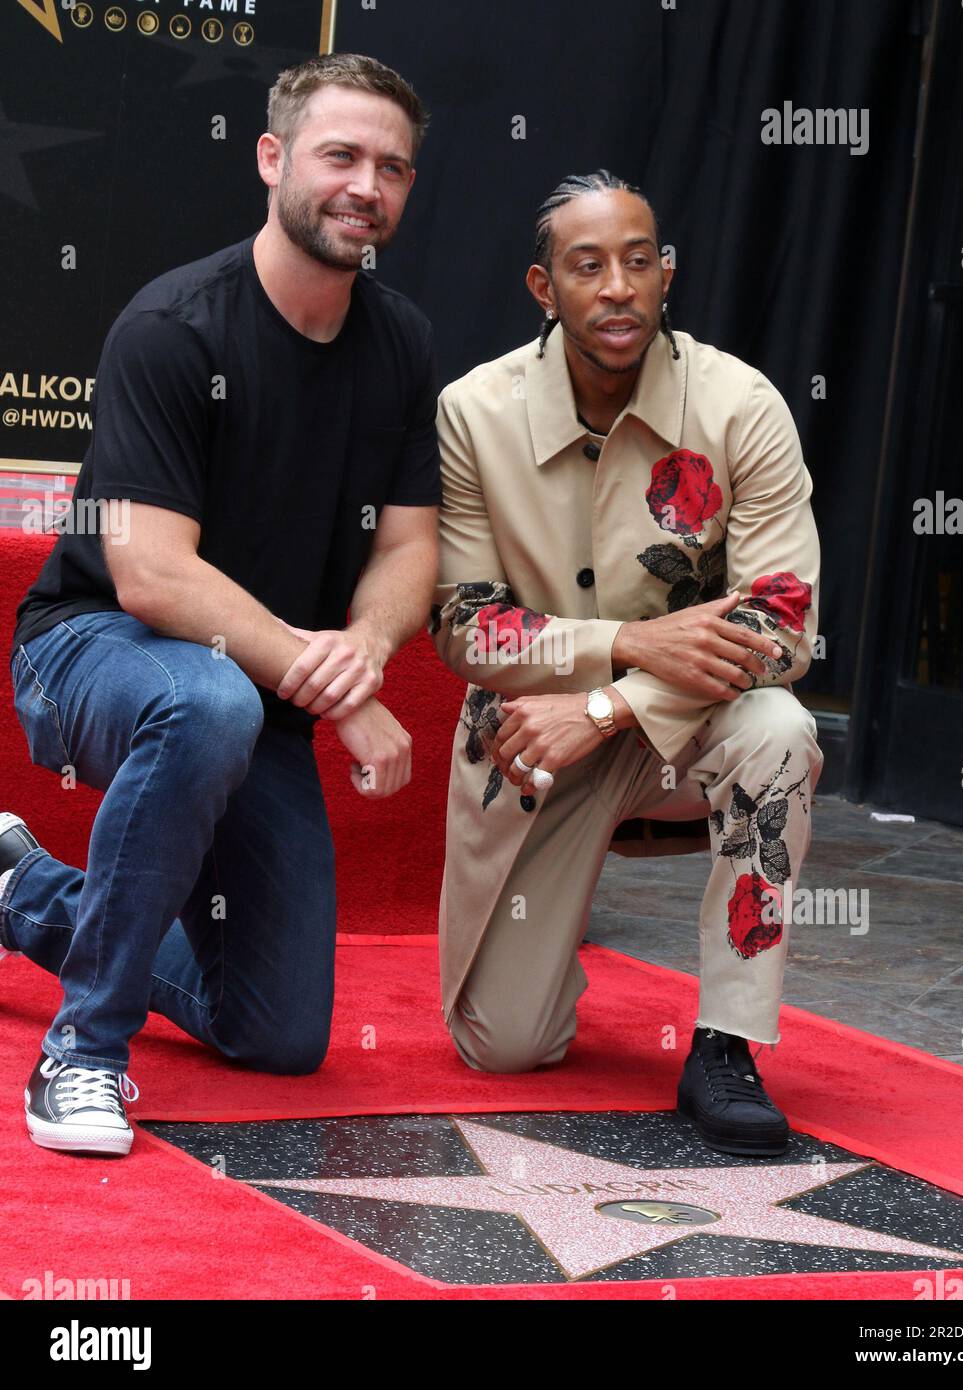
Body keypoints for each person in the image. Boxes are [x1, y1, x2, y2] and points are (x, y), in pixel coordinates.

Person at [0, 53, 440, 1157]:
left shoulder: (401, 342)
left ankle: (22, 892)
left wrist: (368, 651)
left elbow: (409, 546)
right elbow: (149, 574)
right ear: (272, 158)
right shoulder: (173, 327)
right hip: (93, 648)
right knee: (206, 705)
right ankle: (82, 1055)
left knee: (276, 1030)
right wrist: (327, 687)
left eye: (391, 166)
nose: (365, 186)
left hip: (258, 685)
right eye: (340, 154)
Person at [429, 170, 825, 1157]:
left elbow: (781, 628)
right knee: (503, 1045)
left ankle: (728, 1039)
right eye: (587, 265)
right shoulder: (473, 412)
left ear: (666, 277)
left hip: (687, 730)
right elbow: (462, 625)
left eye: (638, 262)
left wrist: (608, 703)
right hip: (535, 738)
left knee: (781, 732)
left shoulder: (741, 405)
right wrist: (623, 642)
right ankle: (547, 944)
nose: (616, 287)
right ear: (541, 286)